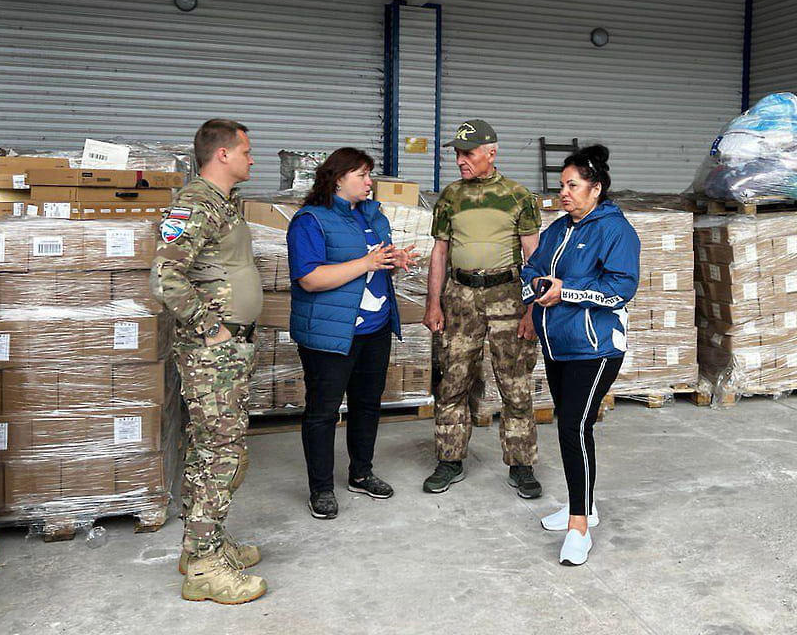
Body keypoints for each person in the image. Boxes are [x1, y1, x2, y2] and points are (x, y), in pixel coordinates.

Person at [151, 119, 268, 604]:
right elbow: (165, 278)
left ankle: (205, 544)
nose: (252, 158)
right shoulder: (194, 203)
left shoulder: (221, 204)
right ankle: (203, 565)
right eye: (246, 150)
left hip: (227, 349)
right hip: (212, 352)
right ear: (222, 154)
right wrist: (212, 329)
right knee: (219, 453)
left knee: (215, 449)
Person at [521, 144, 640, 566]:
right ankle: (584, 505)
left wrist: (564, 291)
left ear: (596, 188)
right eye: (561, 186)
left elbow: (621, 288)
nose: (564, 193)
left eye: (572, 185)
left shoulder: (614, 230)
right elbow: (531, 268)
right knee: (572, 426)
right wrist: (536, 289)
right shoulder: (558, 229)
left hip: (596, 347)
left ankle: (579, 527)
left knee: (573, 427)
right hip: (558, 346)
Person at [286, 148, 417, 519]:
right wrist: (367, 262)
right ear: (339, 177)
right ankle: (321, 488)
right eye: (361, 175)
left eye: (369, 175)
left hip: (374, 329)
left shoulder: (371, 216)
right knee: (323, 412)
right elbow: (310, 279)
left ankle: (361, 472)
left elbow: (375, 264)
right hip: (330, 333)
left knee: (367, 404)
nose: (369, 182)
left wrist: (394, 262)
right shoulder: (311, 221)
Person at [422, 119, 543, 497]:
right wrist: (433, 303)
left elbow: (534, 256)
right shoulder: (450, 197)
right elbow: (439, 253)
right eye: (457, 153)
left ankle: (521, 464)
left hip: (508, 294)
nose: (460, 160)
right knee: (453, 380)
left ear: (491, 153)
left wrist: (533, 310)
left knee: (515, 382)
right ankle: (450, 459)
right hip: (460, 297)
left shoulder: (518, 196)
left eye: (468, 153)